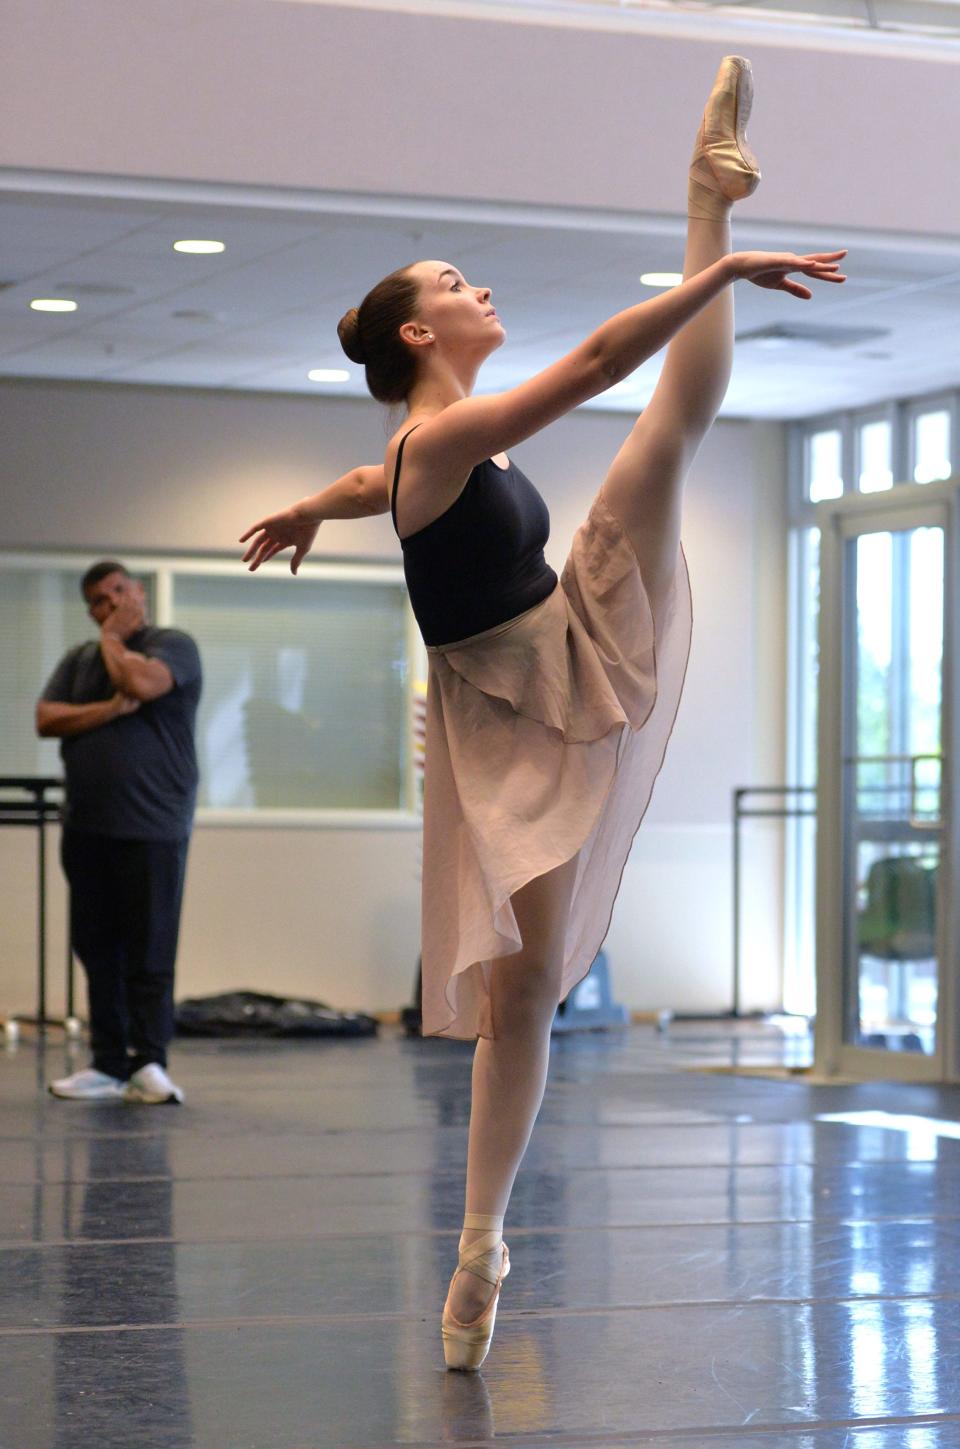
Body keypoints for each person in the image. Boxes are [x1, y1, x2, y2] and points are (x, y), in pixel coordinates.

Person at [239, 56, 846, 1368]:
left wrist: (306, 508)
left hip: (561, 635)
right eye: (457, 285)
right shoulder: (444, 441)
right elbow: (585, 362)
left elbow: (365, 474)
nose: (479, 290)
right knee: (520, 1004)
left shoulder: (434, 444)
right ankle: (481, 1244)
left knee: (673, 429)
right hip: (500, 715)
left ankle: (708, 194)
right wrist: (719, 289)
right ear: (417, 335)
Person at [37, 561, 202, 1105]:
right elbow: (45, 718)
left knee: (149, 950)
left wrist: (114, 643)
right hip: (86, 827)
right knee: (96, 948)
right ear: (91, 611)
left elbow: (140, 681)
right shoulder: (78, 660)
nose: (112, 605)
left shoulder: (173, 645)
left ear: (137, 593)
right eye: (100, 601)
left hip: (153, 827)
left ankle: (149, 1064)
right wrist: (109, 709)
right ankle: (107, 1064)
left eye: (118, 592)